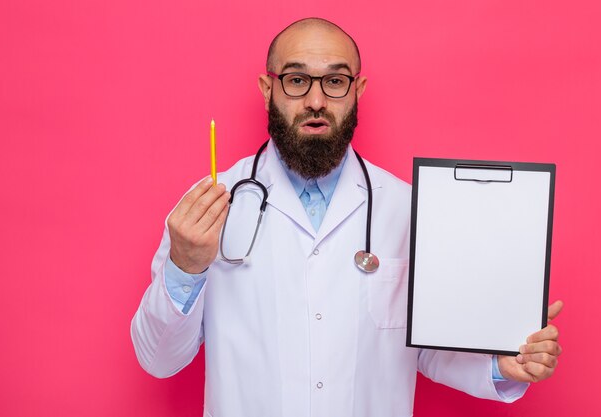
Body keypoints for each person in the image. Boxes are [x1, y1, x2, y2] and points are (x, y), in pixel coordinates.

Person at [131, 17, 563, 417]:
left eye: (335, 81)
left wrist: (500, 363)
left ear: (358, 90)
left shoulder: (409, 209)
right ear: (268, 88)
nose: (316, 101)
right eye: (297, 80)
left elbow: (425, 349)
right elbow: (159, 359)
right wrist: (184, 267)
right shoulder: (208, 207)